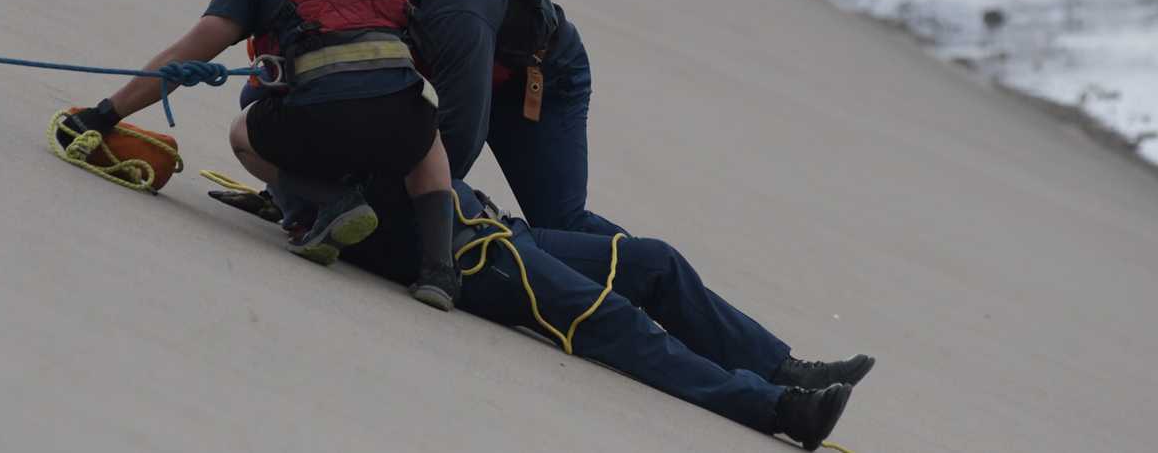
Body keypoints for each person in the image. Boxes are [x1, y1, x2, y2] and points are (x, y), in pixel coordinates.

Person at [59, 0, 460, 310]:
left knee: (244, 132)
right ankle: (439, 271)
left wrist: (105, 114)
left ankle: (335, 202)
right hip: (398, 126)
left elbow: (188, 52)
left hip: (325, 122)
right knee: (426, 134)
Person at [260, 178, 875, 451]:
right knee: (616, 324)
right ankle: (778, 409)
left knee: (655, 262)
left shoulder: (357, 87)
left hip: (499, 230)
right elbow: (254, 140)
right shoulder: (297, 113)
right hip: (480, 261)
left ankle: (787, 370)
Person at [335, 0, 625, 237]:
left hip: (540, 78)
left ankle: (655, 284)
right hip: (467, 61)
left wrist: (399, 216)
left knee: (560, 221)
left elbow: (460, 136)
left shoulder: (454, 9)